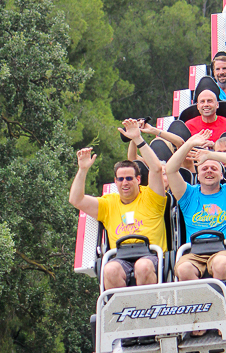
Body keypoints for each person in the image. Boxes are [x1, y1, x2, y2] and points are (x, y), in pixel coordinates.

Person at [69, 119, 166, 290]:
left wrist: (138, 139)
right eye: (120, 179)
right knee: (110, 269)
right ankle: (122, 311)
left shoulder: (151, 196)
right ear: (115, 181)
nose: (125, 183)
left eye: (129, 178)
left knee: (142, 267)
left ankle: (148, 309)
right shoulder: (109, 203)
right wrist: (83, 170)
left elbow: (157, 168)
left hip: (150, 255)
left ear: (138, 180)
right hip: (121, 256)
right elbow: (76, 200)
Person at [166, 130, 226, 289]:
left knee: (220, 264)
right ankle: (197, 309)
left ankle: (224, 307)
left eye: (213, 168)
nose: (209, 171)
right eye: (204, 169)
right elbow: (170, 169)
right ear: (197, 175)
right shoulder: (188, 195)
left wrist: (211, 156)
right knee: (183, 269)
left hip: (223, 250)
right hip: (194, 252)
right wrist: (189, 144)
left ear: (221, 174)